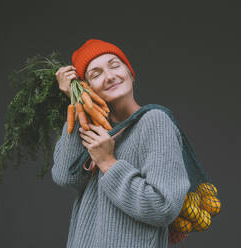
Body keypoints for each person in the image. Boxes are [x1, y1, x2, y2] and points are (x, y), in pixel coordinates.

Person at [51, 39, 190, 247]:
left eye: (115, 65)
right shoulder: (95, 131)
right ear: (87, 88)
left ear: (131, 74)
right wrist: (77, 103)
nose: (109, 77)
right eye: (96, 74)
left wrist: (108, 162)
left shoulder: (155, 121)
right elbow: (65, 177)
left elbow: (163, 207)